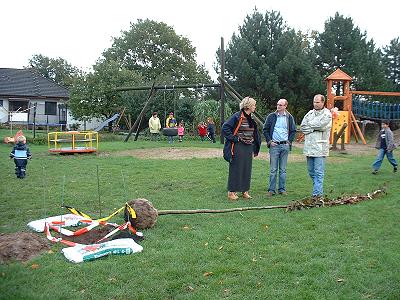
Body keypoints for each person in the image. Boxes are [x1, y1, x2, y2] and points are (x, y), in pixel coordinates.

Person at [222, 97, 261, 201]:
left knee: (246, 169)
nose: (255, 107)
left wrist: (255, 146)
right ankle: (231, 192)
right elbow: (225, 128)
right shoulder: (237, 116)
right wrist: (234, 138)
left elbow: (254, 133)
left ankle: (245, 191)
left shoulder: (250, 117)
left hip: (248, 147)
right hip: (238, 146)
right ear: (248, 106)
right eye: (254, 105)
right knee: (236, 168)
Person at [300, 94, 332, 198]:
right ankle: (318, 190)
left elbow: (322, 125)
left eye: (318, 102)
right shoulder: (309, 113)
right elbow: (303, 127)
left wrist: (311, 125)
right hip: (309, 147)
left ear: (323, 102)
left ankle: (317, 194)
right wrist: (314, 127)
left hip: (320, 148)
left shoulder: (327, 114)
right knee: (311, 172)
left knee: (319, 172)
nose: (315, 104)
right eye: (314, 102)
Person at [263, 98, 296, 196]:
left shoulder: (289, 117)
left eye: (281, 105)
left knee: (283, 170)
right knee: (273, 169)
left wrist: (289, 142)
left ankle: (282, 189)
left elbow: (293, 131)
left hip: (284, 146)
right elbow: (265, 129)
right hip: (274, 146)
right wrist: (269, 141)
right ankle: (271, 190)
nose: (278, 106)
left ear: (285, 106)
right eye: (277, 104)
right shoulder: (271, 116)